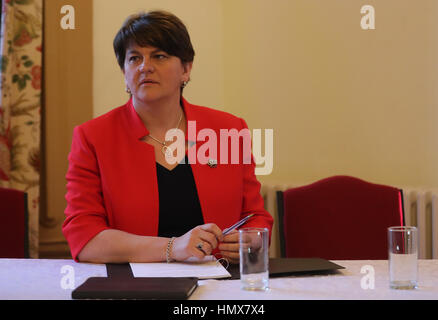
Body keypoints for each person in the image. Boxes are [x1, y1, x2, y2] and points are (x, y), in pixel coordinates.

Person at [62, 10, 273, 264]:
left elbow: (255, 217)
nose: (145, 66)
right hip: (132, 287)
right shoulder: (92, 137)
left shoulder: (228, 130)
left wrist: (252, 239)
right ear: (125, 72)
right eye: (134, 58)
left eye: (159, 56)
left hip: (218, 282)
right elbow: (85, 238)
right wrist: (172, 247)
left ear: (186, 69)